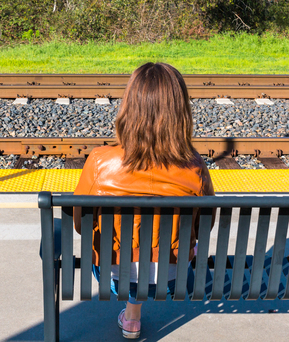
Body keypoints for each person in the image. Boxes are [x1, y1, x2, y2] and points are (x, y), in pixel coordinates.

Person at [73, 62, 215, 339]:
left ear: (130, 107)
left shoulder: (100, 162)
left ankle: (132, 316)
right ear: (180, 112)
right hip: (171, 278)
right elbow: (203, 227)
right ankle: (133, 315)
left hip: (112, 277)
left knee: (119, 246)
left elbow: (81, 224)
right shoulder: (195, 167)